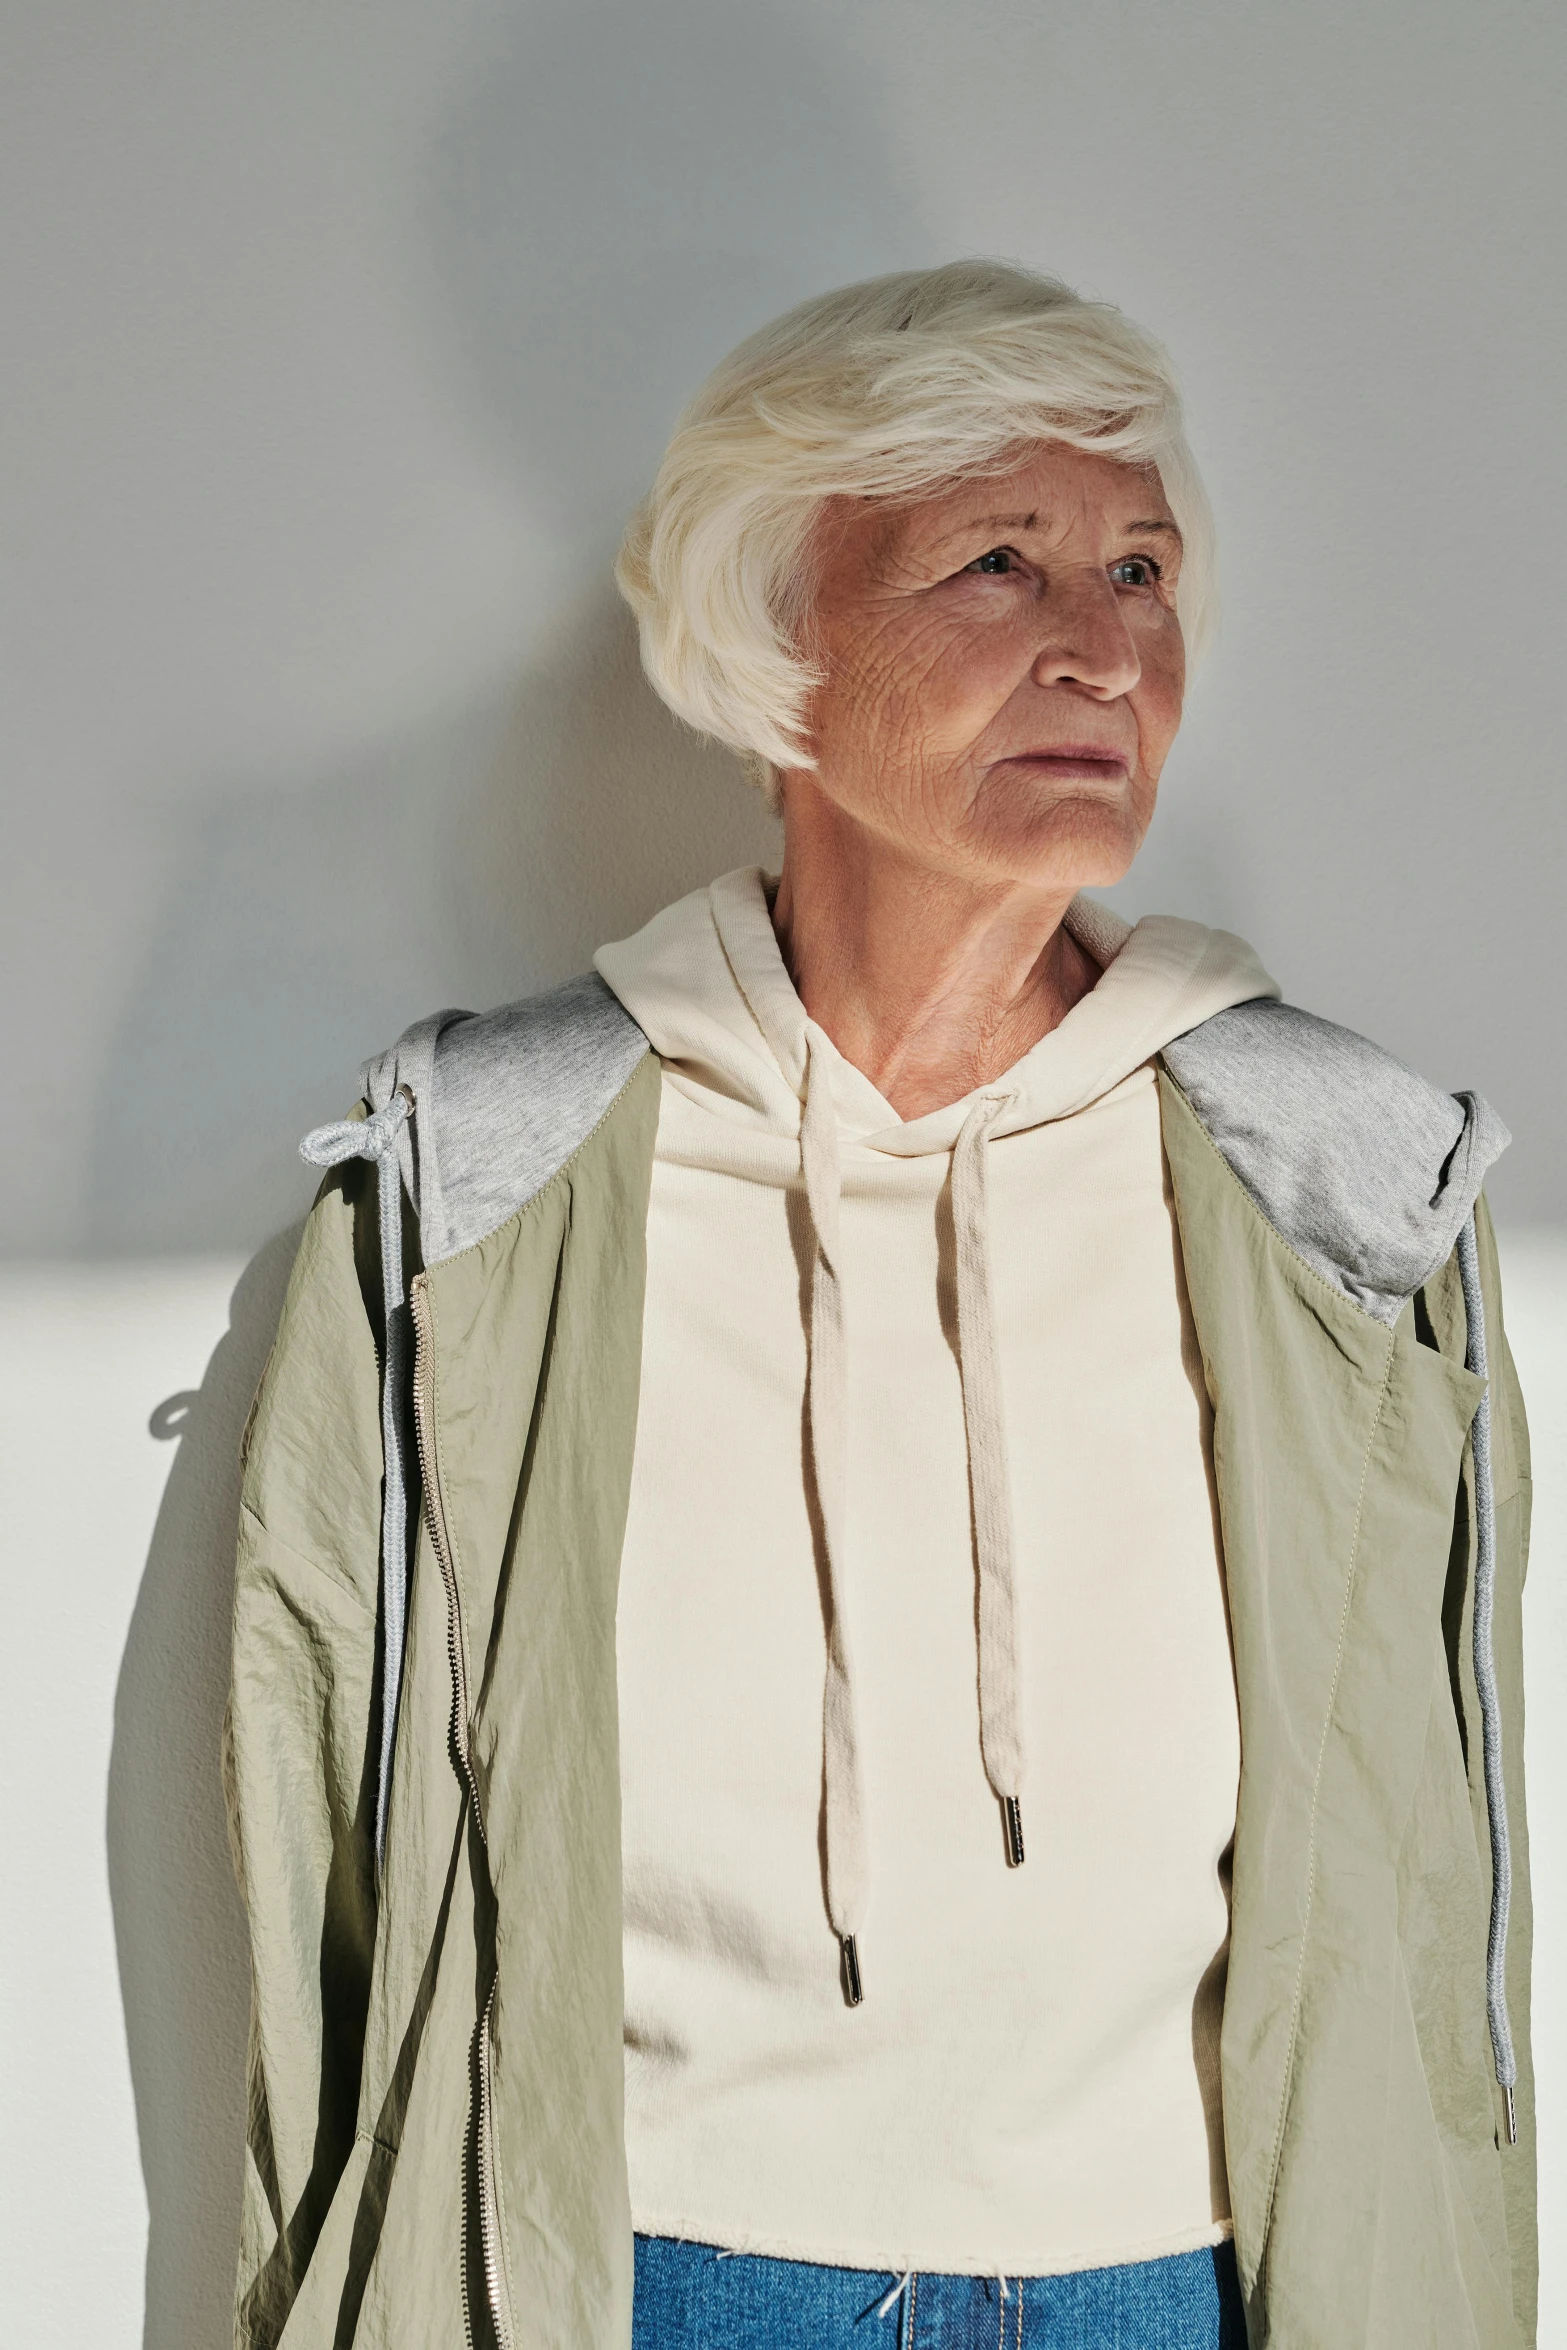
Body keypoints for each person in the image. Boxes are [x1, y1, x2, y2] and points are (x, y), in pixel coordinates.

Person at [225, 262, 1535, 2350]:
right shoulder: (485, 1189)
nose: (1105, 646)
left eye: (1142, 568)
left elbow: (1433, 1896)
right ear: (776, 650)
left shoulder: (1348, 1190)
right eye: (996, 563)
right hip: (650, 2276)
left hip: (1189, 2286)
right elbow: (326, 1902)